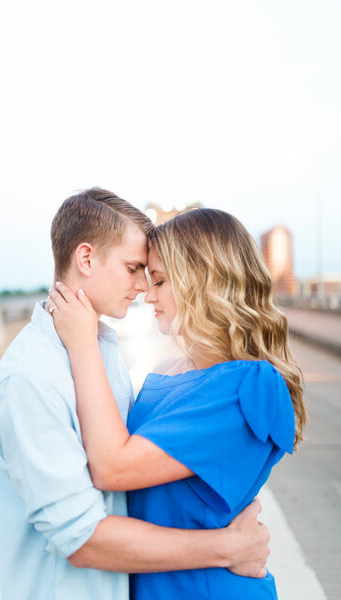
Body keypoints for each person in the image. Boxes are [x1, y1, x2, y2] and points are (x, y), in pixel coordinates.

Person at [0, 190, 270, 600]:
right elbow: (81, 537)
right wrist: (228, 547)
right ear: (85, 259)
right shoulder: (30, 378)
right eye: (133, 268)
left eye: (152, 276)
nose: (142, 286)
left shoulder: (100, 349)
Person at [47, 206, 307, 600]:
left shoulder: (248, 386)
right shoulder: (168, 371)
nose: (148, 295)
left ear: (202, 280)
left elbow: (112, 468)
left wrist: (83, 343)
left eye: (160, 281)